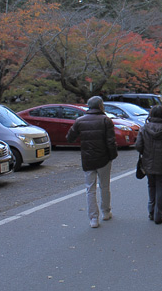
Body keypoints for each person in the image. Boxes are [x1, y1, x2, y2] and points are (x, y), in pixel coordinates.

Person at [66, 96, 118, 228]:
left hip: (88, 158)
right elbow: (110, 142)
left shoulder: (80, 121)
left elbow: (70, 138)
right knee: (105, 186)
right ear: (100, 106)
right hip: (104, 158)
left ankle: (93, 218)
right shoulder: (106, 120)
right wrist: (112, 156)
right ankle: (106, 212)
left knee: (90, 189)